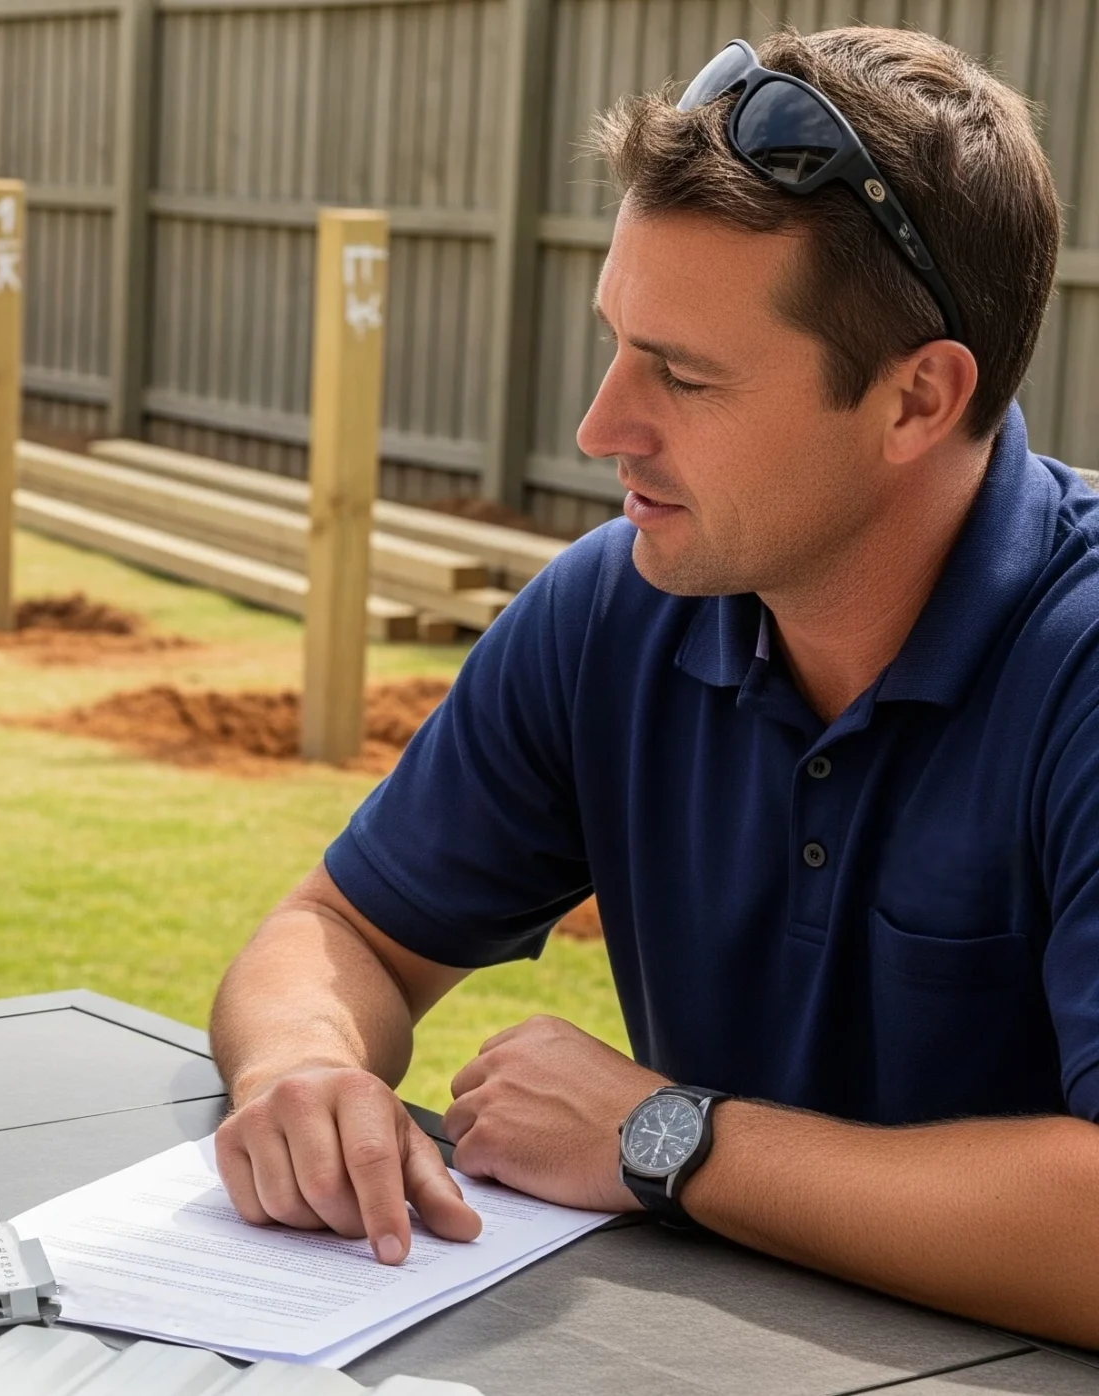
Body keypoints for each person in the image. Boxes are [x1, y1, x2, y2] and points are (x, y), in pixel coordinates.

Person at [207, 25, 1099, 1347]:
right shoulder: (614, 612)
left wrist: (666, 1137)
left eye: (683, 375)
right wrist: (303, 1071)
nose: (600, 426)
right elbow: (339, 931)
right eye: (619, 340)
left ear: (918, 401)